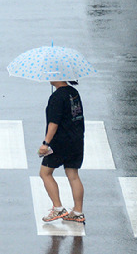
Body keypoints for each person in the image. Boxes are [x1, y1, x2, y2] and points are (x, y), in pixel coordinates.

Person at [39, 80, 85, 223]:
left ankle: (58, 208)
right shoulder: (74, 93)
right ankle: (77, 211)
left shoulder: (57, 97)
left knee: (45, 173)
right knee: (73, 175)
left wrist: (45, 143)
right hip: (76, 140)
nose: (49, 78)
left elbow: (54, 123)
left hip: (60, 142)